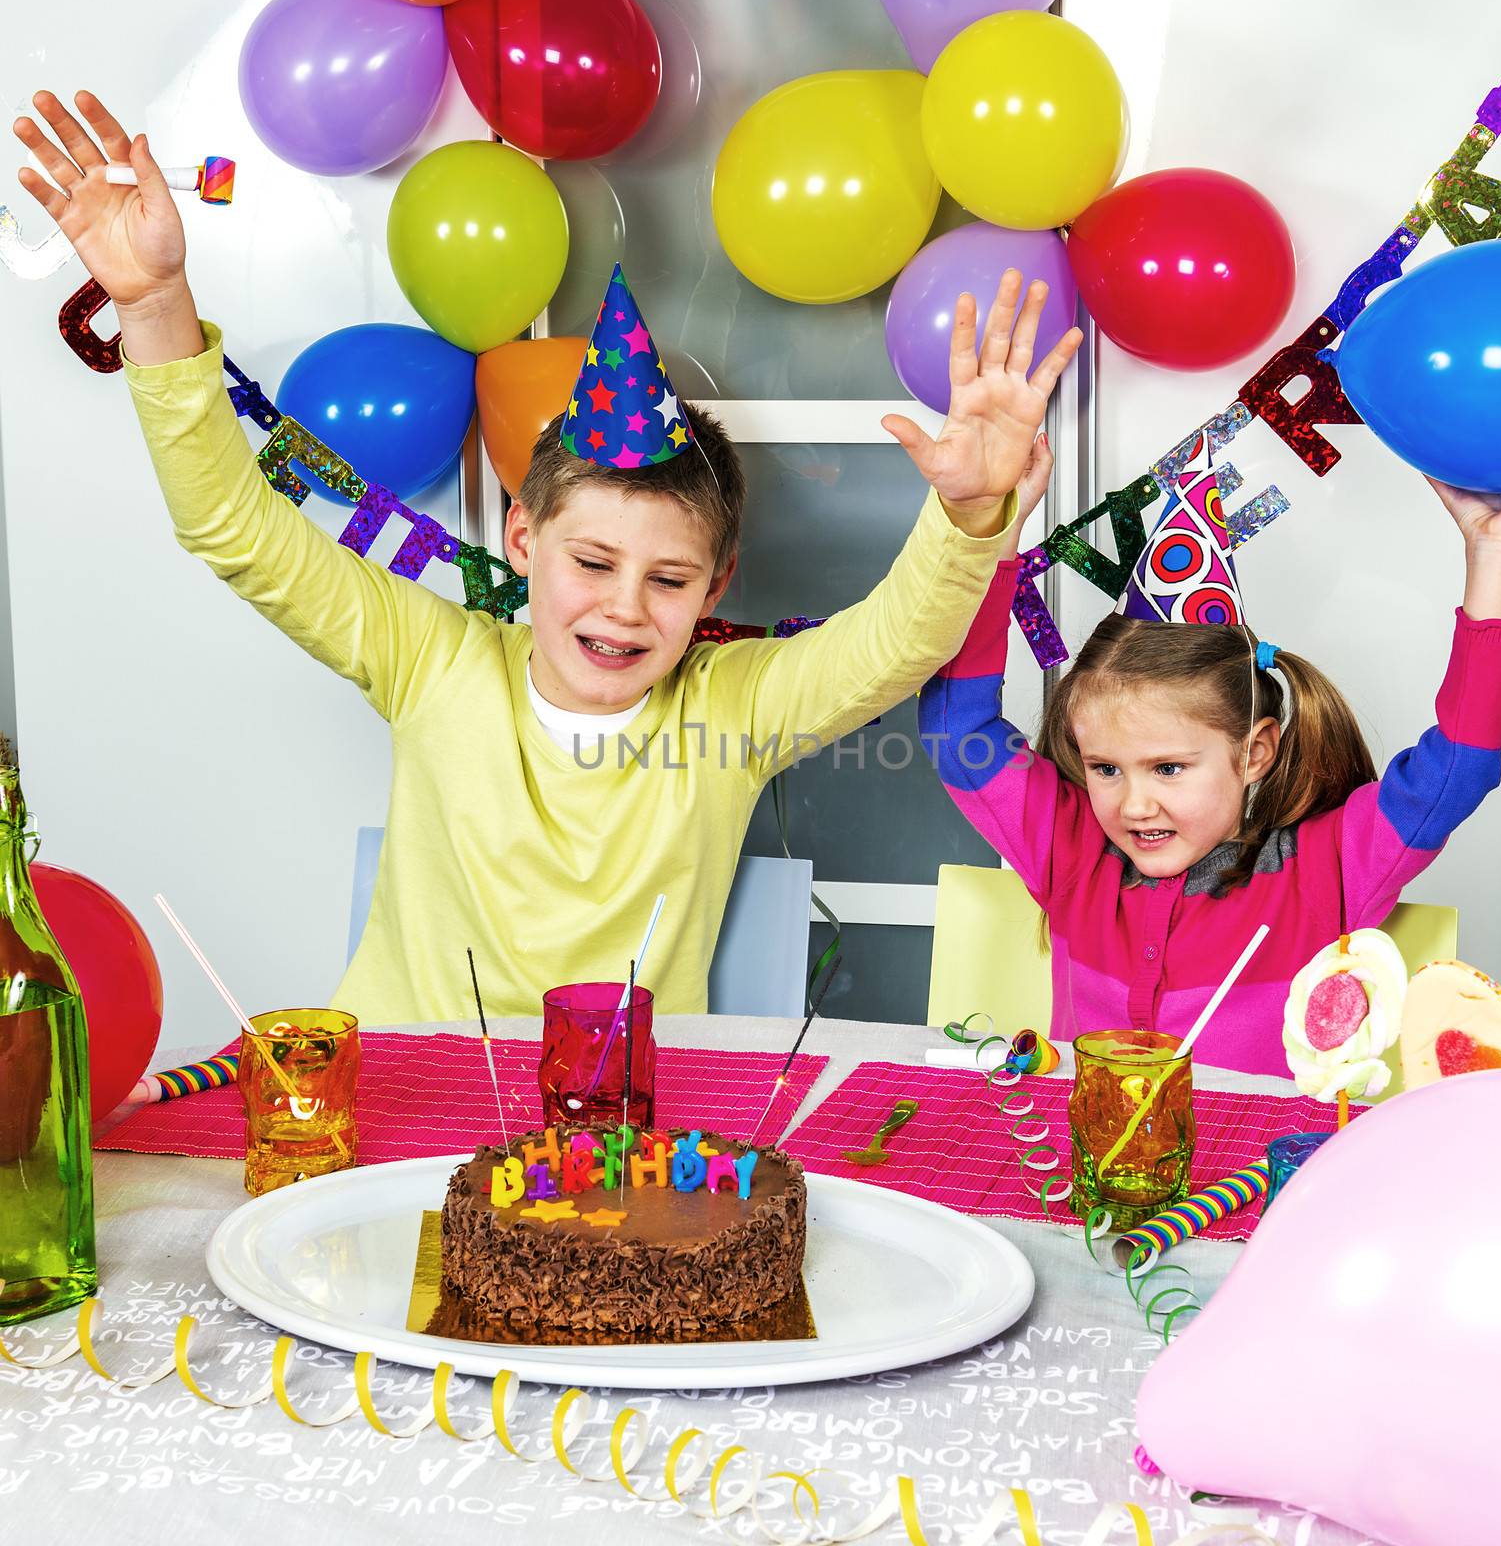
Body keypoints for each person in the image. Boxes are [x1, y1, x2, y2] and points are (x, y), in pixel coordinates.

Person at [14, 89, 1079, 1021]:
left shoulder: (734, 708)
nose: (624, 609)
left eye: (669, 580)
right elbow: (233, 530)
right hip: (403, 1109)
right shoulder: (431, 660)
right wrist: (153, 305)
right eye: (594, 561)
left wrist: (970, 514)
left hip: (628, 1136)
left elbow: (897, 644)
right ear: (523, 538)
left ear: (717, 584)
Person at [919, 431, 1501, 1077]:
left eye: (1169, 768)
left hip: (1257, 1191)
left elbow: (1459, 767)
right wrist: (990, 532)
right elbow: (959, 731)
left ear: (1256, 752)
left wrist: (1491, 553)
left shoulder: (1325, 873)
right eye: (1105, 769)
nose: (1133, 803)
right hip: (1099, 1178)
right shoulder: (1070, 851)